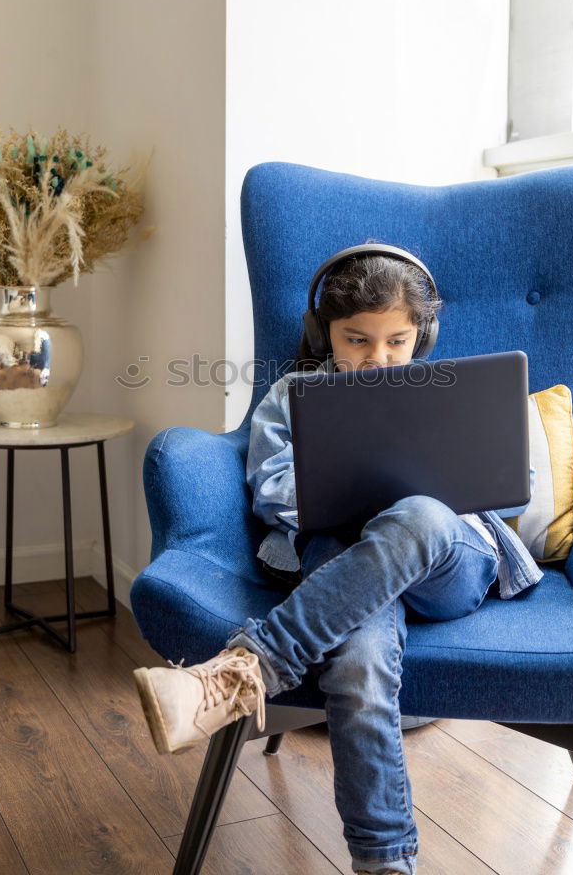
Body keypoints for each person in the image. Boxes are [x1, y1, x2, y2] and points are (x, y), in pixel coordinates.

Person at [133, 242, 543, 875]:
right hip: (345, 561)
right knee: (357, 662)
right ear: (323, 332)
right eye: (356, 340)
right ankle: (384, 862)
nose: (376, 358)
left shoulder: (450, 387)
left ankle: (250, 669)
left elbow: (513, 475)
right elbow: (272, 488)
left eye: (397, 341)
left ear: (421, 336)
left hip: (447, 561)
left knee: (421, 515)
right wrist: (358, 496)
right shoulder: (295, 394)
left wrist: (411, 496)